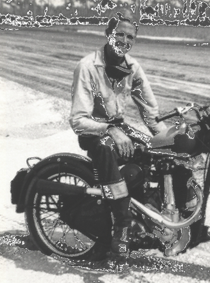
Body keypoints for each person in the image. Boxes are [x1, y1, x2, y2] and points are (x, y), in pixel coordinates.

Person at [69, 8, 166, 257]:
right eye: (119, 34)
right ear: (107, 33)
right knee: (107, 148)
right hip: (94, 130)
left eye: (130, 37)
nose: (124, 41)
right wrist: (109, 129)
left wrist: (166, 140)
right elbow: (78, 120)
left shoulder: (132, 66)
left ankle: (153, 216)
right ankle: (122, 228)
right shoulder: (87, 66)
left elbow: (151, 112)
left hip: (118, 125)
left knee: (157, 150)